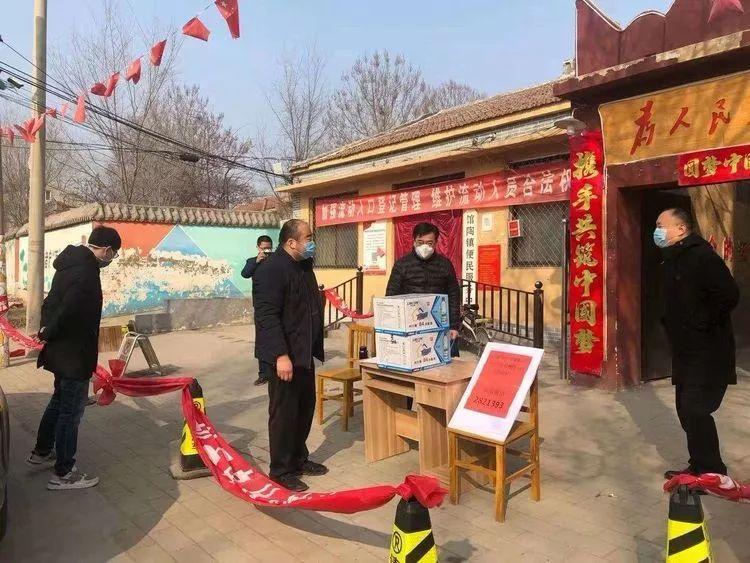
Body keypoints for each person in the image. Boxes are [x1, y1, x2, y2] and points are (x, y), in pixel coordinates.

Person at [26, 226, 121, 490]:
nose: (112, 259)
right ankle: (64, 473)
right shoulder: (87, 271)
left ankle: (42, 451)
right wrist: (48, 332)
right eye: (113, 254)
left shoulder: (69, 263)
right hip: (74, 353)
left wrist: (47, 330)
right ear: (106, 250)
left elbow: (52, 302)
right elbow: (68, 308)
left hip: (62, 350)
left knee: (59, 401)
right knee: (71, 412)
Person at [655, 208, 739, 480]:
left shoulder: (702, 257)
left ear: (681, 229)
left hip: (707, 351)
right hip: (686, 351)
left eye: (661, 225)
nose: (657, 231)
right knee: (685, 410)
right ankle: (700, 465)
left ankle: (713, 472)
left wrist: (700, 323)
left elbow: (729, 295)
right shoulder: (672, 259)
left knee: (695, 409)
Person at [253, 219, 327, 492]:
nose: (312, 242)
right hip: (284, 355)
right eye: (308, 237)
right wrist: (280, 355)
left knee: (304, 408)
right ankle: (281, 470)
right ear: (291, 242)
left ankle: (298, 459)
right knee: (284, 413)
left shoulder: (303, 266)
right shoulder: (271, 270)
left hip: (304, 352)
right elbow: (267, 317)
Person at [386, 222, 461, 345]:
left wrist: (454, 325)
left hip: (438, 324)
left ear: (435, 243)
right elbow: (391, 295)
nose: (424, 247)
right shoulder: (402, 264)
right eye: (420, 242)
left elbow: (454, 295)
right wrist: (393, 325)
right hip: (410, 325)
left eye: (429, 243)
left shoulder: (445, 264)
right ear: (414, 241)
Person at [242, 235, 274, 386]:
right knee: (262, 341)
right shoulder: (252, 261)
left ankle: (276, 371)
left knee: (277, 339)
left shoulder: (276, 260)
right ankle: (263, 374)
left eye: (269, 248)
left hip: (276, 306)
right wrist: (257, 261)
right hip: (261, 308)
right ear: (258, 247)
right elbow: (245, 273)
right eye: (264, 248)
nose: (267, 251)